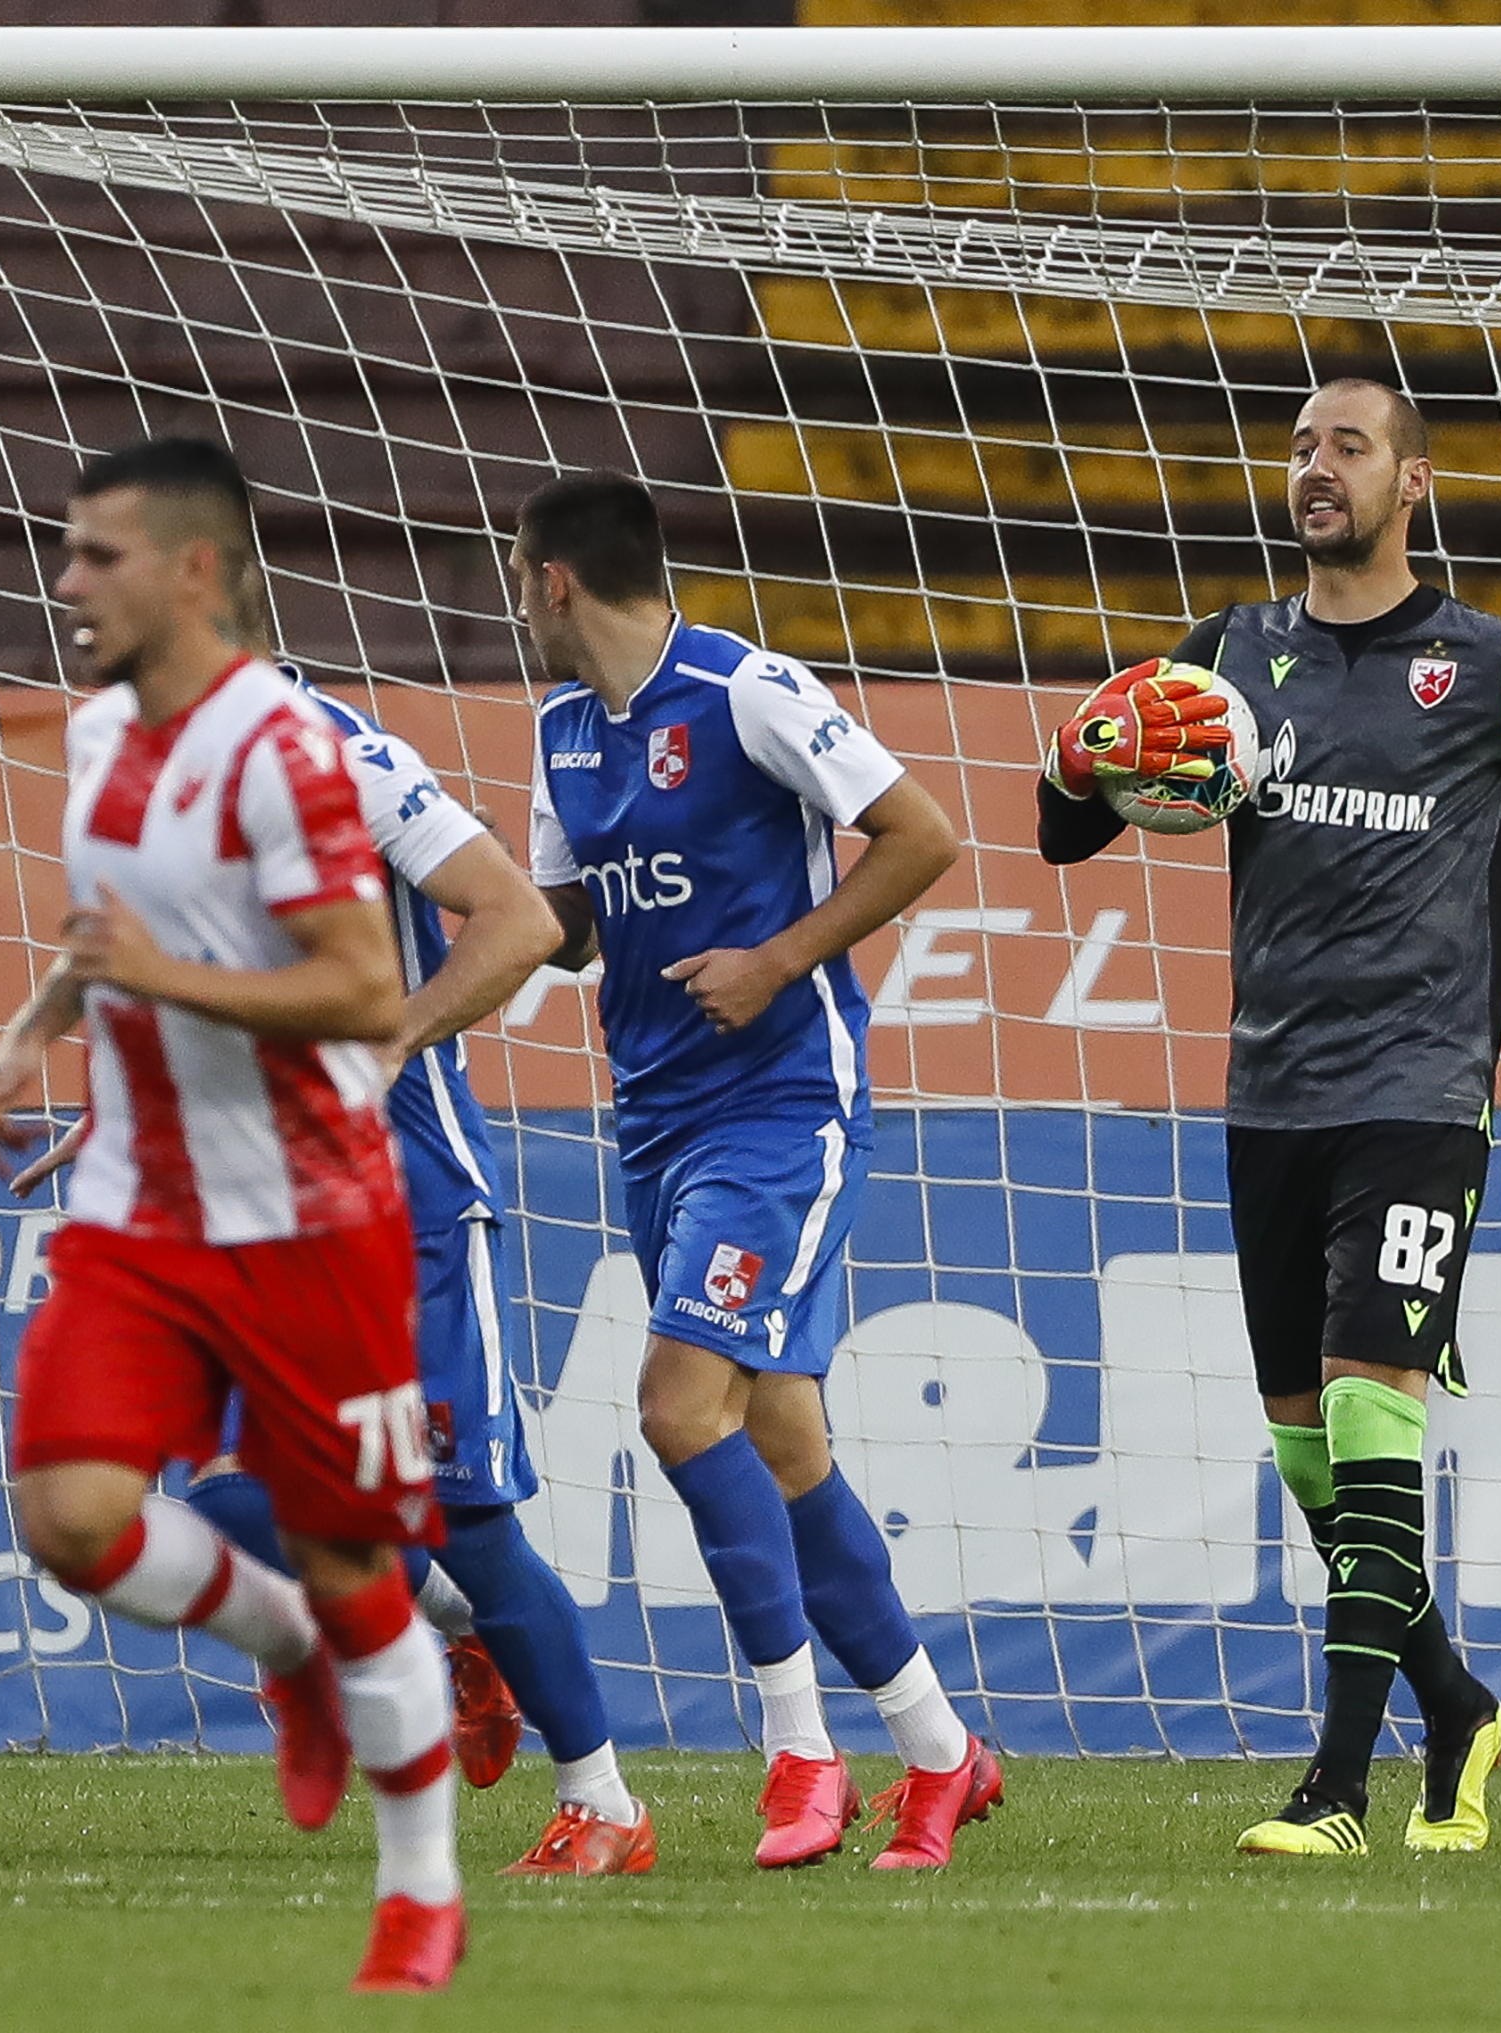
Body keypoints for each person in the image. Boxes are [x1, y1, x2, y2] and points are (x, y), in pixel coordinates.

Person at [1036, 375, 1501, 1858]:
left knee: (1364, 1416)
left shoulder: (1488, 666)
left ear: (1411, 482)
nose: (1311, 468)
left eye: (1343, 446)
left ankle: (1335, 1788)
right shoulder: (1224, 661)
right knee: (1306, 1460)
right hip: (1268, 1095)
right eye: (1296, 447)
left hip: (1418, 1094)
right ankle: (1457, 1704)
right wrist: (1073, 748)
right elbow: (1061, 831)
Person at [0, 438, 462, 1994]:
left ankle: (418, 1888)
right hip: (138, 1214)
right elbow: (119, 929)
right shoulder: (102, 729)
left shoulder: (280, 751)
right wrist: (35, 1019)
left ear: (193, 569)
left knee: (350, 1553)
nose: (66, 584)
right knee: (65, 1515)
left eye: (96, 555)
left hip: (307, 1213)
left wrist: (145, 982)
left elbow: (359, 985)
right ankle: (288, 1653)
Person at [512, 470, 1003, 1872]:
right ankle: (936, 1750)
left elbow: (922, 832)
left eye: (514, 575)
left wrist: (779, 958)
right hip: (655, 1115)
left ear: (553, 579)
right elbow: (565, 928)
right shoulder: (558, 732)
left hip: (783, 1106)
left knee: (676, 1407)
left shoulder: (745, 690)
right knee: (780, 1440)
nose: (513, 601)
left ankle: (800, 1753)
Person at [175, 588, 653, 1876]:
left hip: (409, 1205)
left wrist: (390, 1035)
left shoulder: (343, 752)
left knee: (464, 1513)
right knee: (221, 1500)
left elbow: (522, 918)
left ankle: (603, 1800)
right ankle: (457, 1629)